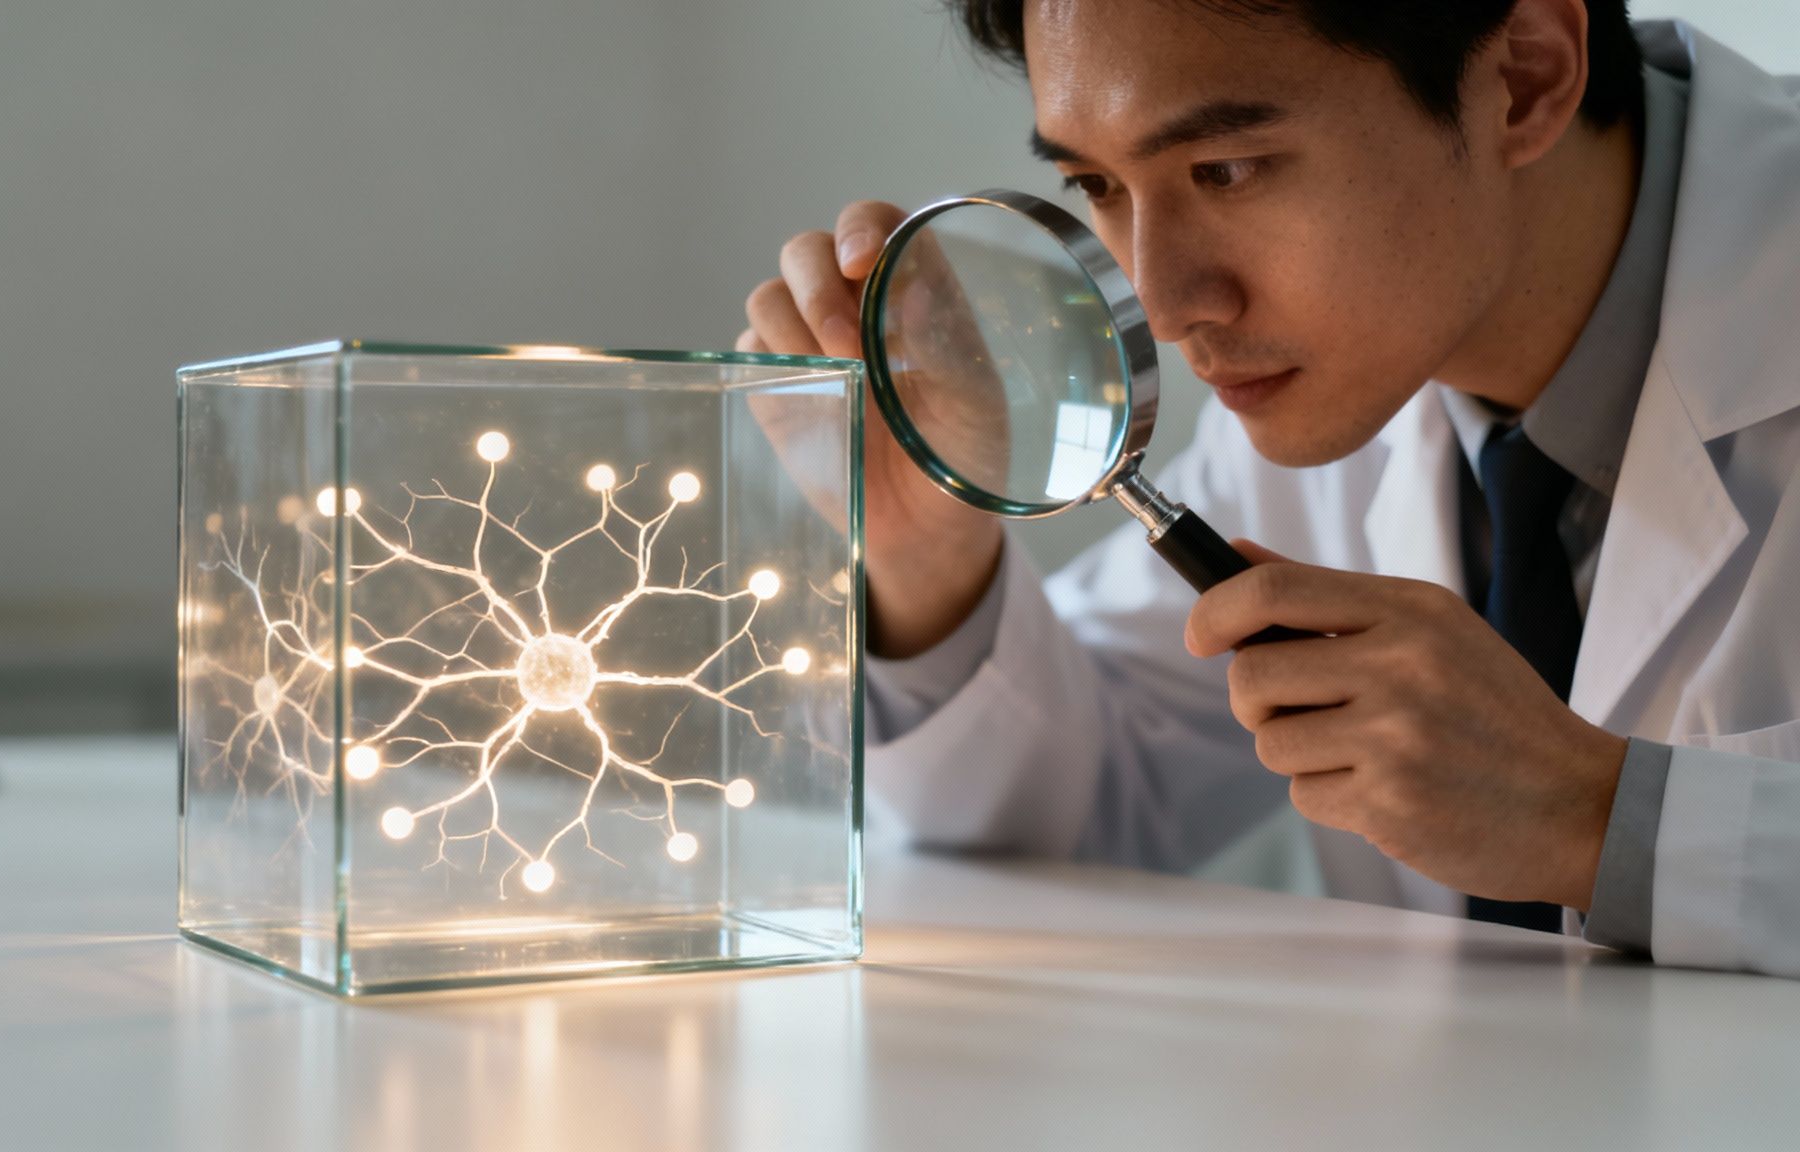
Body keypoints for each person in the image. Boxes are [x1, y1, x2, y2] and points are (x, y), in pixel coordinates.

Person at [737, 0, 1800, 978]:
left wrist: (1600, 820)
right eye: (1095, 186)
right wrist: (924, 555)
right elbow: (1085, 807)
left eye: (1229, 169)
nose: (1160, 303)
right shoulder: (1329, 385)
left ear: (1521, 75)